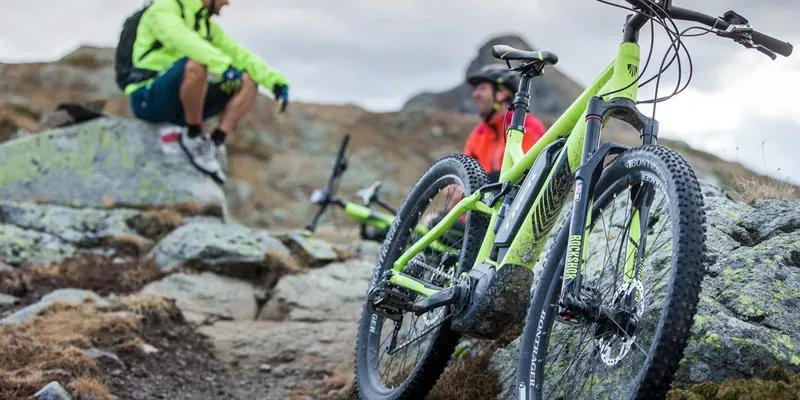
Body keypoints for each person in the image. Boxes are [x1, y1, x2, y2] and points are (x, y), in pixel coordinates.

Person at [114, 0, 290, 185]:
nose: (227, 3)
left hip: (179, 102)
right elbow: (183, 40)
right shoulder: (163, 9)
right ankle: (194, 135)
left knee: (248, 80)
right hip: (148, 98)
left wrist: (275, 82)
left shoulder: (204, 24)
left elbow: (239, 54)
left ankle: (215, 143)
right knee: (196, 65)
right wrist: (225, 67)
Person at [464, 64, 546, 183]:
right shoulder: (479, 133)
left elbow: (529, 173)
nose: (475, 94)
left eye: (482, 88)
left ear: (501, 93)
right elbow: (463, 169)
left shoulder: (527, 126)